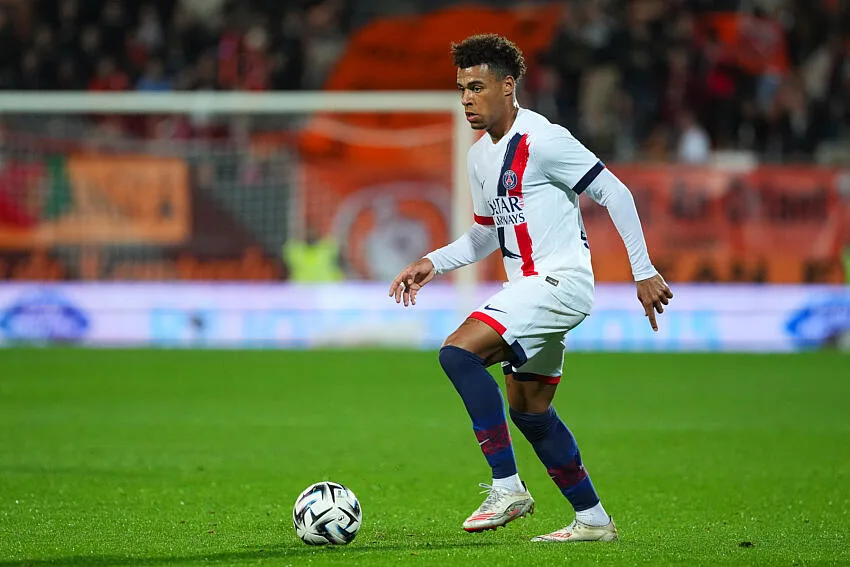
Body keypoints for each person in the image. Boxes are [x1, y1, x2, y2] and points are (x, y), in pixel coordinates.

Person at [388, 34, 673, 543]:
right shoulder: (480, 156)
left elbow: (615, 192)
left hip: (558, 282)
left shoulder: (544, 140)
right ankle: (593, 520)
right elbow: (485, 234)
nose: (466, 99)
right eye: (461, 89)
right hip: (532, 289)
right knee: (530, 412)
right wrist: (433, 261)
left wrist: (643, 269)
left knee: (458, 354)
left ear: (507, 86)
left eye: (477, 88)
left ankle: (507, 487)